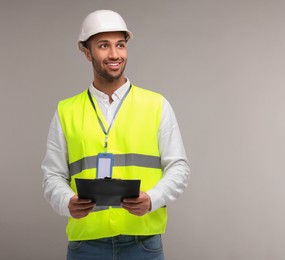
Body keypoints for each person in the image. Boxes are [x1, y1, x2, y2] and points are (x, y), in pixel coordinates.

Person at [42, 10, 190, 260]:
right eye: (103, 46)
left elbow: (179, 167)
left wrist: (152, 199)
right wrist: (67, 201)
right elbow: (52, 175)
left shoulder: (156, 105)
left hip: (143, 243)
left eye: (120, 45)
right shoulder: (66, 111)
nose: (114, 54)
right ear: (87, 52)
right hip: (86, 244)